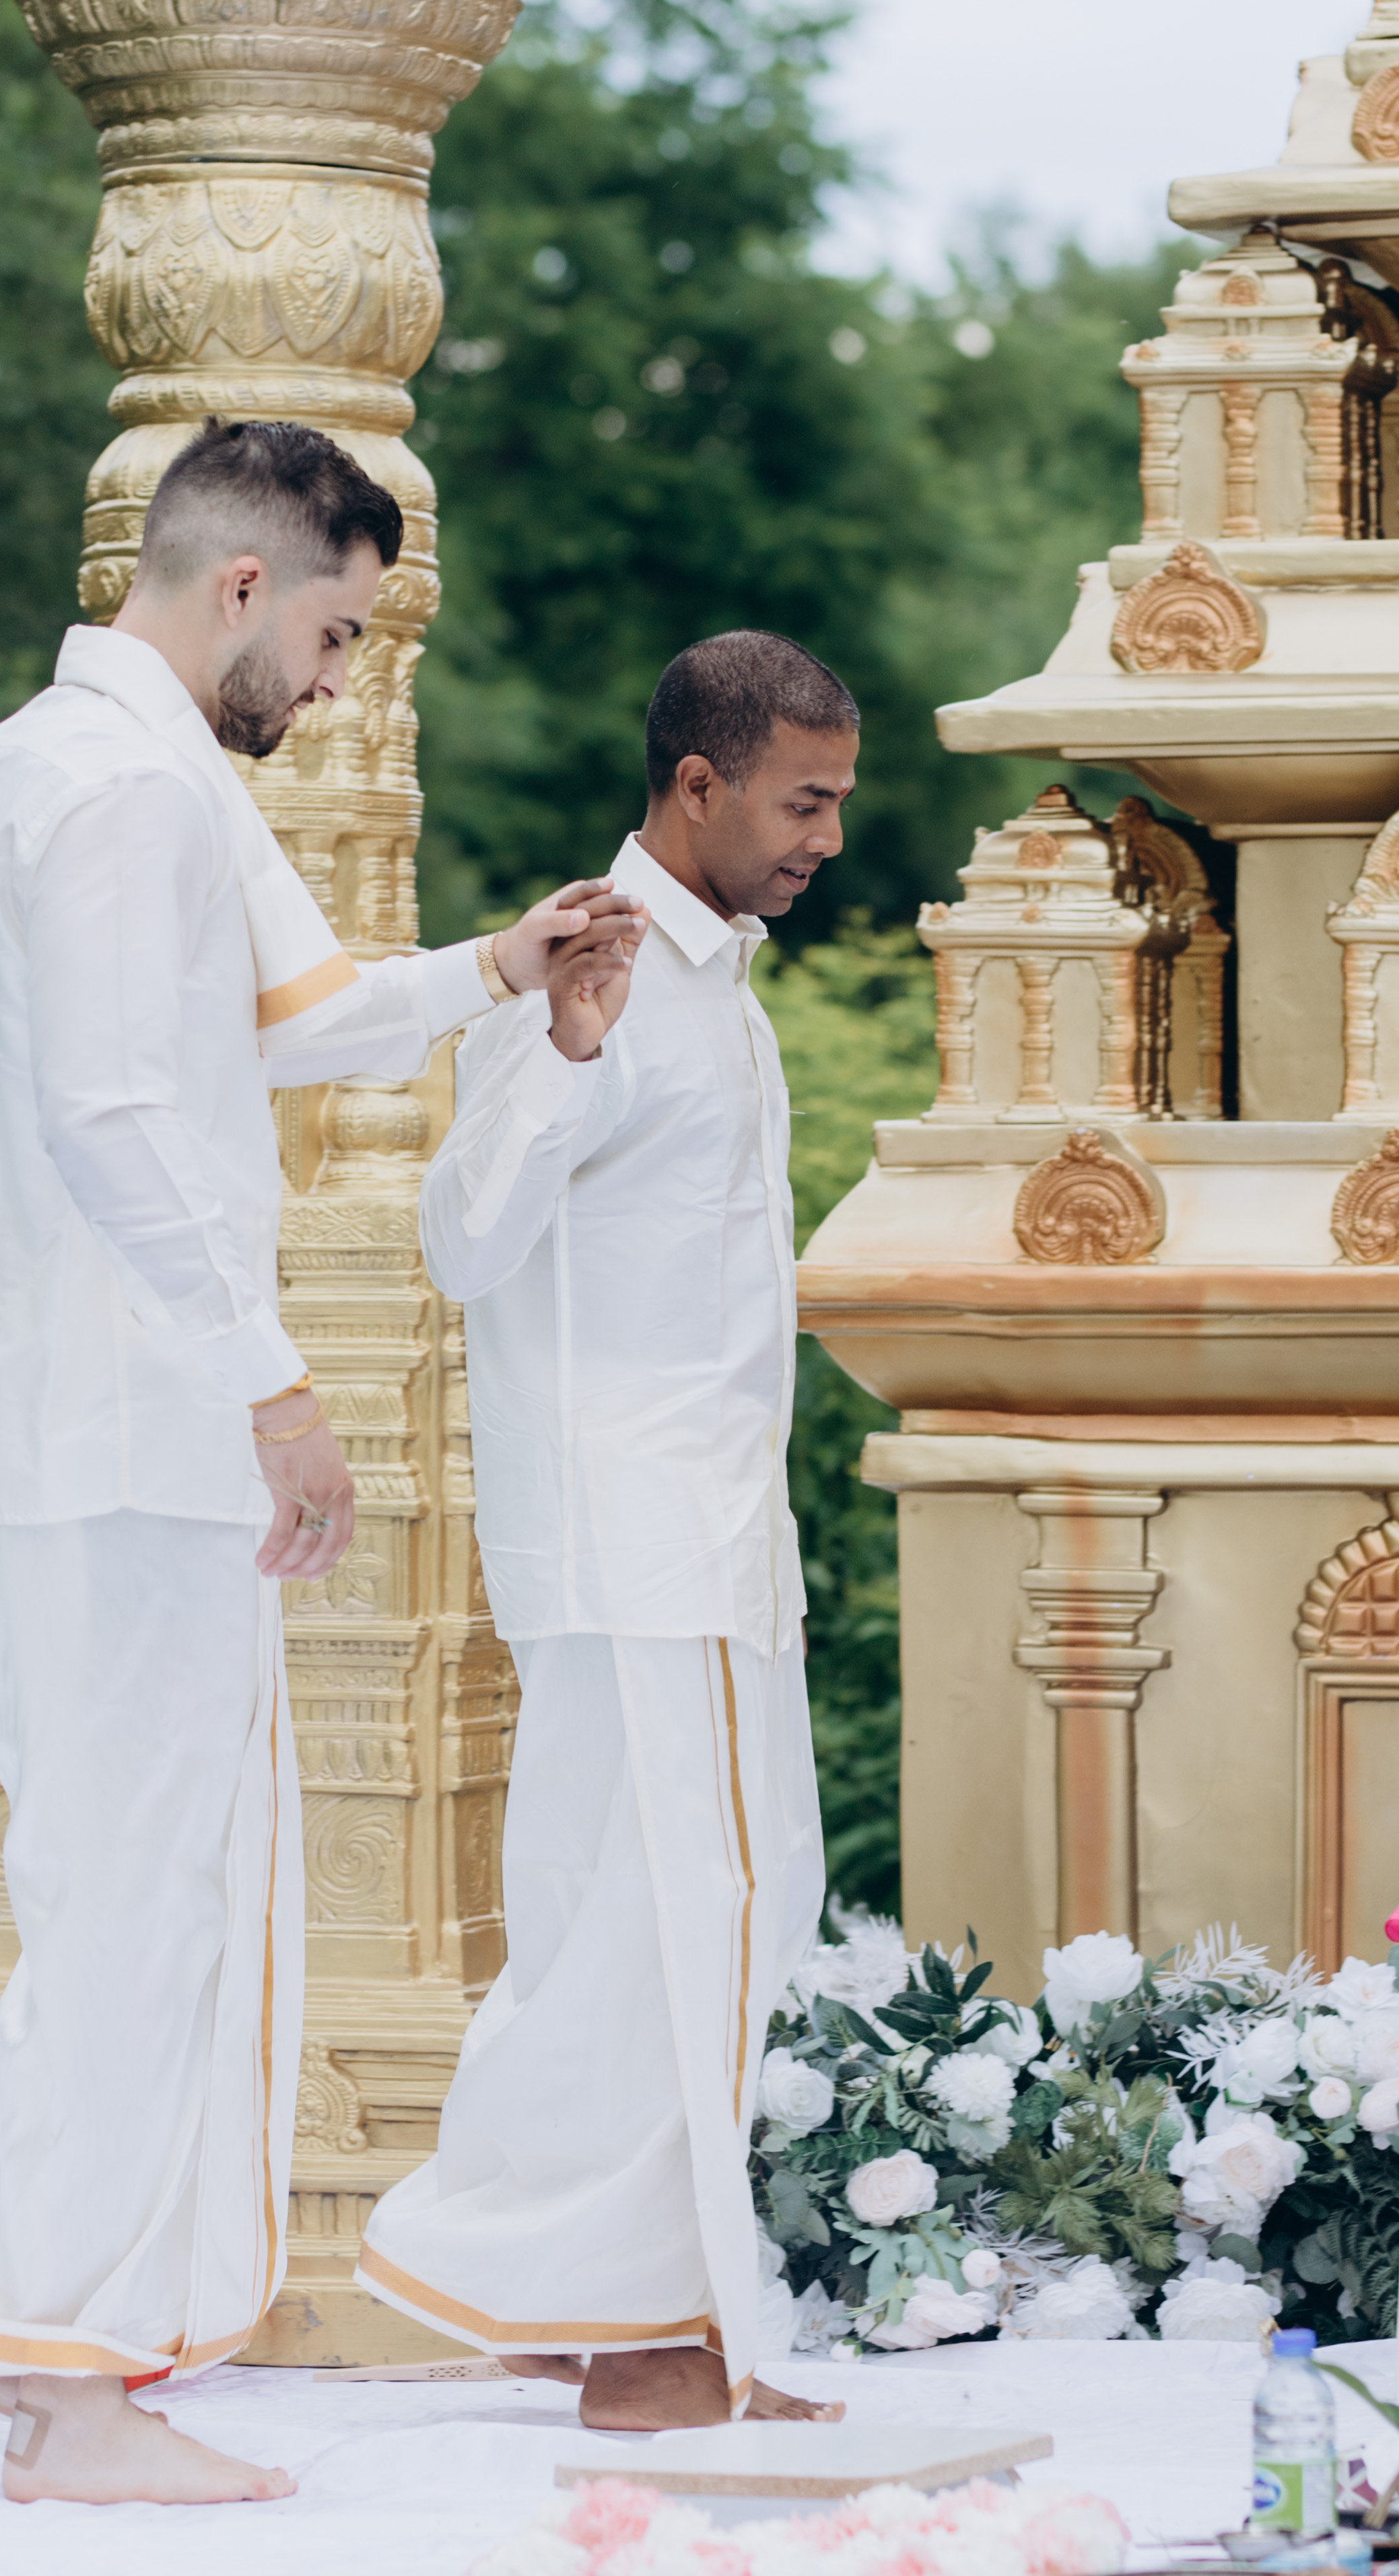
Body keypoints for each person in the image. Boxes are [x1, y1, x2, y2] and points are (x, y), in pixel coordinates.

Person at [0, 418, 641, 2506]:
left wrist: (495, 966)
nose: (331, 683)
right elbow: (117, 1116)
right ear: (240, 582)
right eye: (329, 633)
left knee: (114, 1874)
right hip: (137, 1413)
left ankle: (20, 2319)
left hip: (74, 1411)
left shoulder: (43, 764)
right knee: (147, 1892)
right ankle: (70, 2385)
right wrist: (271, 1384)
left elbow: (270, 1027)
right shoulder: (128, 791)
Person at [353, 631, 862, 2432]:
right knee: (691, 1917)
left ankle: (554, 2286)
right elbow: (460, 1239)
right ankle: (648, 2333)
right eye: (801, 802)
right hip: (643, 1540)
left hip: (690, 1534)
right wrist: (568, 1050)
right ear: (698, 784)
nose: (824, 839)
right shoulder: (588, 967)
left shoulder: (712, 980)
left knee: (640, 1919)